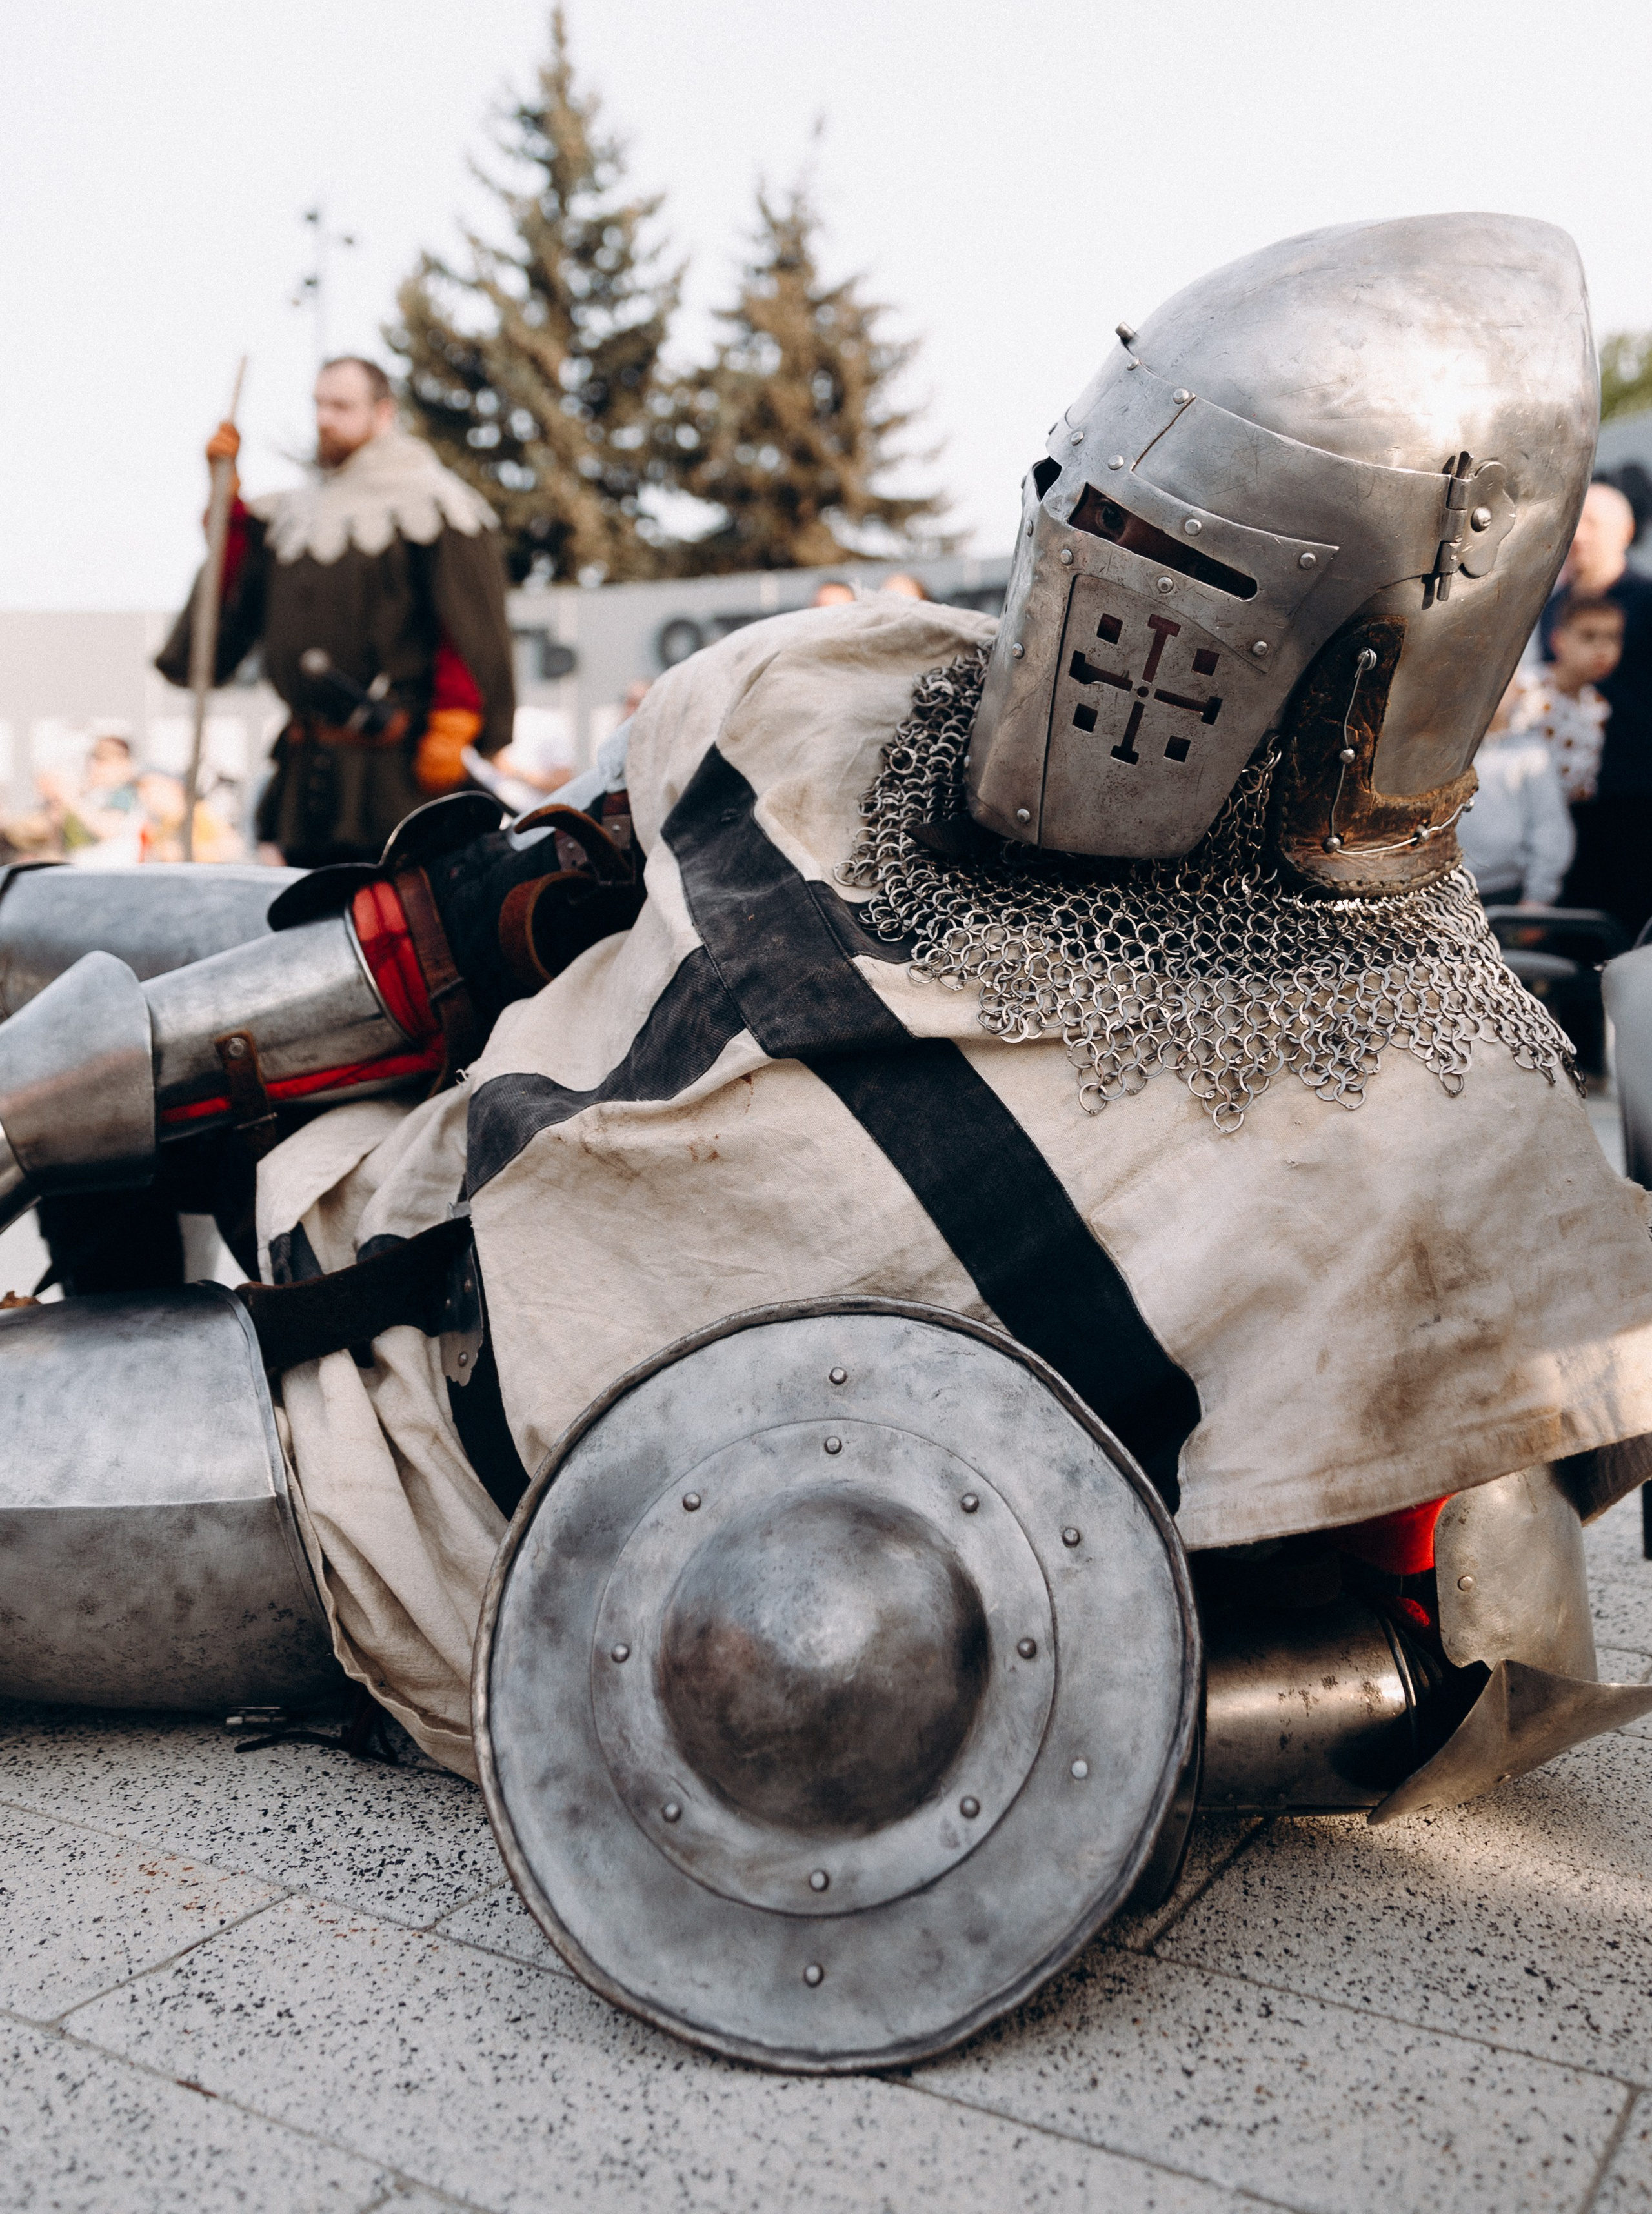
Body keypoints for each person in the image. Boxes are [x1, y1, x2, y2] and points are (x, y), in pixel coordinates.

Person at [6, 216, 1652, 2055]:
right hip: (423, 1139)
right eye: (1082, 511)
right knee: (53, 914)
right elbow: (474, 928)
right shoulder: (855, 690)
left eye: (1173, 563)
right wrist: (68, 1097)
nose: (1089, 590)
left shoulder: (1446, 1147)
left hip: (411, 1473)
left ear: (1373, 661)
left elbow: (1459, 1637)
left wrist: (999, 1707)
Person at [156, 357, 516, 867]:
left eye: (343, 407)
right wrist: (227, 503)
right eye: (319, 405)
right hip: (311, 774)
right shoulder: (293, 511)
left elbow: (465, 625)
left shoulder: (433, 502)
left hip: (399, 770)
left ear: (383, 413)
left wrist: (455, 722)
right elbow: (239, 587)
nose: (325, 419)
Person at [1538, 479, 1652, 938]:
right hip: (1561, 801)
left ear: (1624, 531)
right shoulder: (1555, 607)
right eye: (1574, 521)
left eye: (1593, 522)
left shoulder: (1646, 602)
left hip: (1632, 800)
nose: (1579, 534)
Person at [1460, 679, 1575, 905]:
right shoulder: (1437, 757)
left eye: (1501, 681)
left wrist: (1538, 897)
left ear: (1518, 691)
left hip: (1508, 893)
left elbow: (1549, 827)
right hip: (1443, 894)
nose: (1487, 692)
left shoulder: (1531, 755)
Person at [1512, 591, 1624, 803]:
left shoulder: (1598, 707)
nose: (1603, 649)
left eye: (1612, 637)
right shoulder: (1526, 688)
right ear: (1559, 640)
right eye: (1588, 636)